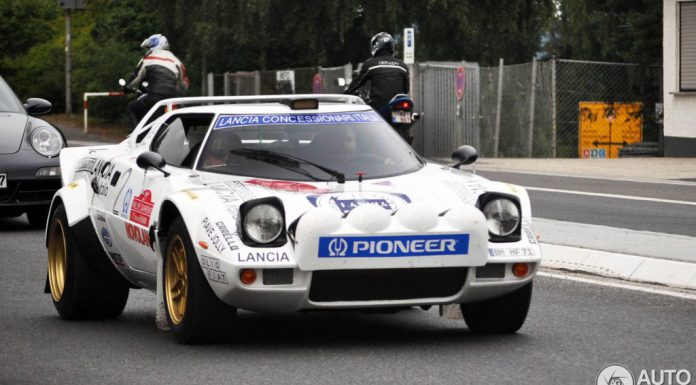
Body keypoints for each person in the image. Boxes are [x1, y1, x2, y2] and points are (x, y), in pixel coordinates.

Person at [124, 34, 190, 128]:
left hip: (155, 97)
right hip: (173, 99)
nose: (148, 49)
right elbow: (184, 84)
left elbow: (136, 78)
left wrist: (127, 87)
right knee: (183, 114)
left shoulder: (147, 58)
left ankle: (136, 137)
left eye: (149, 47)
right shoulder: (176, 61)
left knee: (131, 107)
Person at [344, 32, 409, 118]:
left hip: (380, 106)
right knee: (404, 126)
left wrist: (347, 91)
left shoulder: (371, 64)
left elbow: (356, 84)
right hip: (399, 107)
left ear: (375, 46)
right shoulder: (402, 65)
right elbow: (406, 89)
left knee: (365, 122)